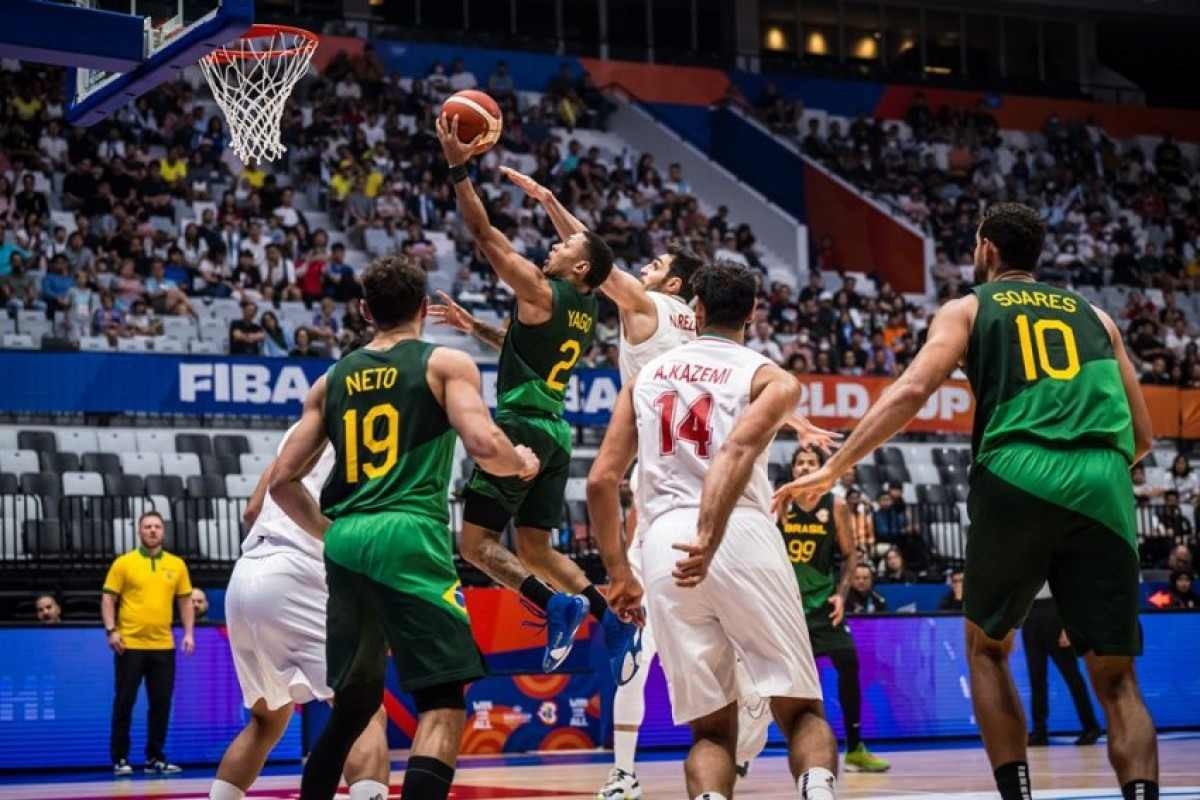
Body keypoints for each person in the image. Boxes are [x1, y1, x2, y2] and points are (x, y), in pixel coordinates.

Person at [774, 203, 1159, 800]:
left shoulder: (971, 307)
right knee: (1117, 677)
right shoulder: (1098, 318)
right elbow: (1143, 437)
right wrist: (1087, 474)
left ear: (987, 250)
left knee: (987, 648)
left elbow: (913, 389)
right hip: (1105, 481)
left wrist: (836, 466)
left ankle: (1018, 794)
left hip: (1017, 469)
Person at [493, 167, 839, 797]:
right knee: (801, 706)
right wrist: (801, 420)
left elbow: (591, 260)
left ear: (690, 297)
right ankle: (792, 766)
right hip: (736, 517)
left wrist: (550, 203)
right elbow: (754, 417)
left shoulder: (649, 316)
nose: (643, 267)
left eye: (654, 263)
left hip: (664, 515)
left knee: (700, 721)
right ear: (752, 310)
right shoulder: (761, 367)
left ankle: (638, 771)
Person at [269, 256, 538, 800]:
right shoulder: (444, 363)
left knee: (351, 707)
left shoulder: (331, 378)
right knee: (441, 700)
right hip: (409, 533)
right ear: (425, 308)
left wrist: (332, 535)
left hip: (346, 539)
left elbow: (281, 482)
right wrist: (523, 464)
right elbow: (486, 446)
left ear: (365, 310)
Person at [588, 261, 839, 800]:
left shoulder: (644, 378)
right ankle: (817, 790)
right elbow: (737, 451)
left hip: (661, 545)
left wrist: (618, 574)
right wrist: (709, 533)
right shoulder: (772, 377)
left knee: (710, 730)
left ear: (694, 310)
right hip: (737, 529)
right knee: (801, 710)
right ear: (752, 311)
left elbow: (601, 481)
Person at [435, 112, 629, 673]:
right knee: (538, 549)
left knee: (474, 546)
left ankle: (554, 606)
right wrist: (477, 329)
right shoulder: (587, 308)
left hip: (518, 427)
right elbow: (525, 346)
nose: (554, 247)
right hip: (556, 434)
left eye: (565, 246)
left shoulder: (541, 289)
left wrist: (457, 169)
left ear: (580, 265)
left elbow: (484, 235)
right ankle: (608, 618)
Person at [209, 426, 390, 800]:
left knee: (267, 720)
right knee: (365, 712)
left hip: (246, 575)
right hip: (298, 571)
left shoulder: (299, 430)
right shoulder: (370, 425)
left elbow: (251, 511)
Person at [778, 445, 891, 773]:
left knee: (849, 663)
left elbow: (851, 555)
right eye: (799, 462)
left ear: (821, 469)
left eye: (811, 462)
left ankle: (855, 746)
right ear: (792, 469)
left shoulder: (836, 504)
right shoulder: (781, 502)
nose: (804, 467)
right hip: (788, 608)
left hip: (824, 604)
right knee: (771, 679)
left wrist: (842, 595)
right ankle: (744, 750)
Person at [102, 511, 195, 777]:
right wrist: (112, 630)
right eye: (147, 527)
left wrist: (189, 633)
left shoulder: (177, 565)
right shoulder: (124, 563)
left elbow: (185, 601)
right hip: (129, 644)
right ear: (139, 531)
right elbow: (108, 598)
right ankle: (120, 758)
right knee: (124, 702)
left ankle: (155, 757)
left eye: (156, 526)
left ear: (163, 532)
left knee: (161, 703)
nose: (152, 531)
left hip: (163, 645)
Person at [1022, 583, 1102, 747]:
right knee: (1036, 678)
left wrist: (1067, 625)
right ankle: (1039, 731)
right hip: (1029, 611)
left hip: (1054, 610)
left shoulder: (1055, 557)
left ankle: (1091, 727)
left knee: (1072, 676)